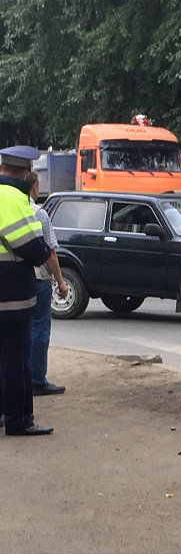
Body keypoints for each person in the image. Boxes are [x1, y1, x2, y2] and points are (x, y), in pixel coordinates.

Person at [0, 145, 54, 436]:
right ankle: (18, 420)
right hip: (10, 294)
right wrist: (42, 249)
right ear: (22, 173)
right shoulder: (12, 197)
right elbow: (33, 248)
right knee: (16, 359)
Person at [25, 172, 69, 395]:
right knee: (39, 328)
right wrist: (61, 282)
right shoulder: (39, 214)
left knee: (17, 330)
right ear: (34, 187)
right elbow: (51, 252)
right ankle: (37, 379)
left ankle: (20, 377)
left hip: (16, 278)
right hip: (40, 279)